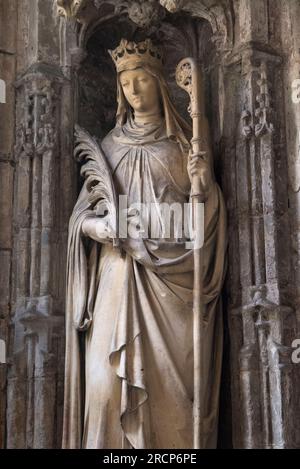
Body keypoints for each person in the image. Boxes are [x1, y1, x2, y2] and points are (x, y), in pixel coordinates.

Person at [62, 38, 227, 449]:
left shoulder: (186, 145)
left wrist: (204, 190)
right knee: (103, 388)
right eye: (125, 81)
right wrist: (95, 229)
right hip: (117, 277)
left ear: (158, 82)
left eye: (141, 80)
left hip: (173, 286)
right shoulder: (110, 147)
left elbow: (205, 222)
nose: (133, 90)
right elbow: (82, 216)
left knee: (170, 400)